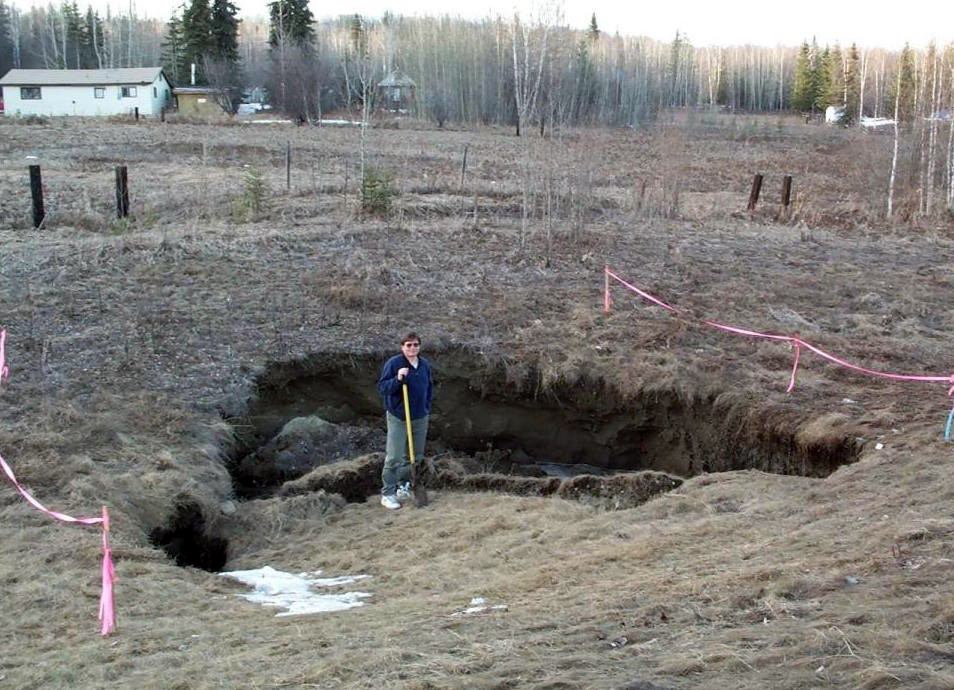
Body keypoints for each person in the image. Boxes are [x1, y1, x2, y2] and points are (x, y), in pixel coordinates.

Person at [375, 332, 433, 509]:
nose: (412, 348)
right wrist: (398, 379)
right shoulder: (394, 364)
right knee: (394, 457)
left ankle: (404, 485)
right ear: (402, 347)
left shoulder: (424, 365)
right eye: (408, 345)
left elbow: (429, 387)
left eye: (415, 345)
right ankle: (388, 493)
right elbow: (382, 388)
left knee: (415, 456)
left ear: (419, 347)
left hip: (420, 417)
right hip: (398, 416)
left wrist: (426, 407)